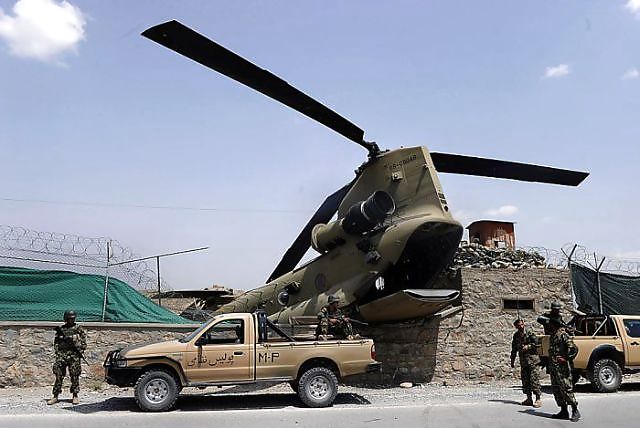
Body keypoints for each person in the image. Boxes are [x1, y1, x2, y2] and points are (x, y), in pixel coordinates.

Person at [47, 310, 87, 405]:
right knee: (59, 375)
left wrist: (79, 351)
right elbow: (56, 342)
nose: (72, 320)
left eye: (73, 318)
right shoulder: (61, 329)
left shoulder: (78, 329)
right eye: (70, 318)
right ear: (66, 319)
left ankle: (75, 395)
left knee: (74, 375)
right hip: (62, 355)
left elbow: (84, 343)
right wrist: (58, 352)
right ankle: (55, 396)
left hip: (74, 356)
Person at [547, 313, 580, 422]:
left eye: (551, 323)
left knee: (566, 389)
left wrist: (566, 358)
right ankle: (563, 411)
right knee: (557, 389)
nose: (549, 324)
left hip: (563, 368)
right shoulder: (553, 335)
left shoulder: (563, 335)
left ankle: (575, 410)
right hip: (554, 369)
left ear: (555, 324)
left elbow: (574, 348)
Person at [510, 319, 542, 408]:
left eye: (522, 324)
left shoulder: (530, 332)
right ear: (516, 326)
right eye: (519, 325)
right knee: (525, 380)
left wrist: (529, 346)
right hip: (524, 361)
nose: (521, 326)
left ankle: (538, 399)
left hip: (533, 360)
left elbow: (538, 343)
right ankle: (529, 398)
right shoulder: (516, 336)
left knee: (534, 379)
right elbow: (514, 349)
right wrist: (512, 360)